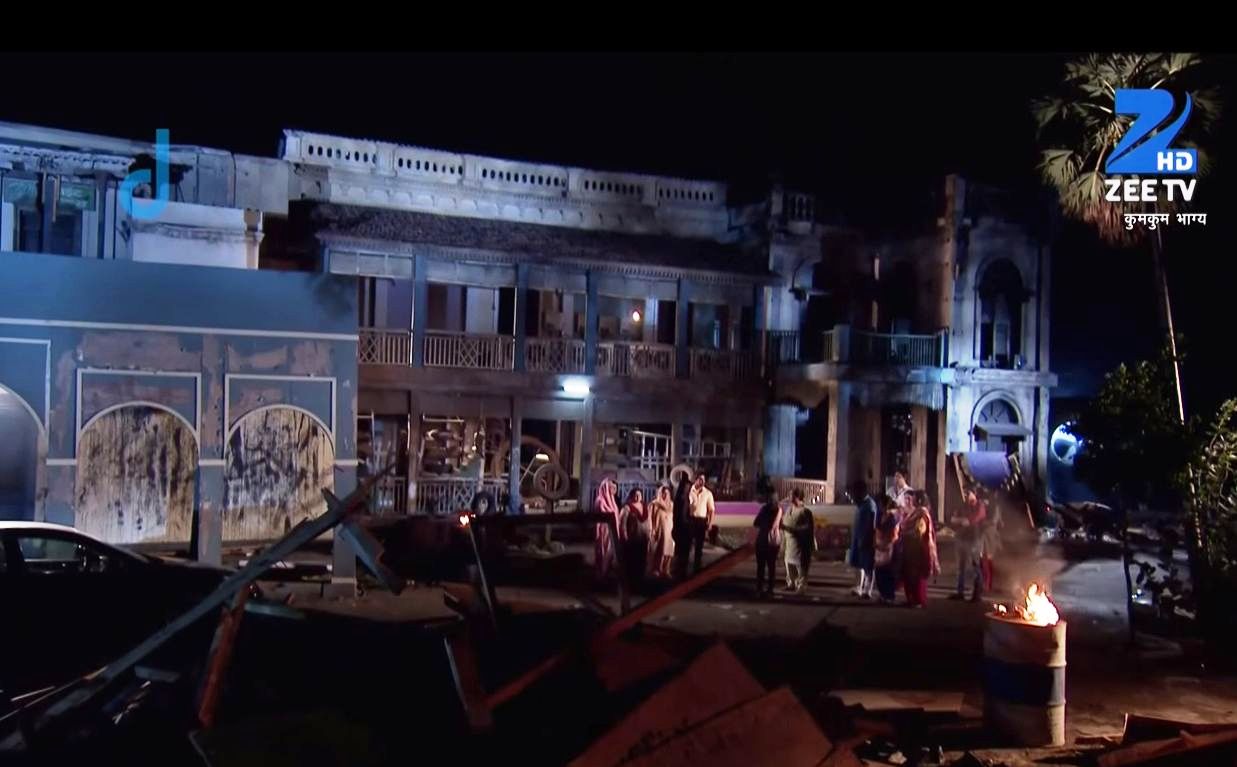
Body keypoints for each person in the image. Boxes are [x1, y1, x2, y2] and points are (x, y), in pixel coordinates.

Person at [899, 490, 940, 608]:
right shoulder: (915, 512)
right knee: (909, 575)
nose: (912, 500)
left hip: (917, 548)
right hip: (910, 547)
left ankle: (918, 600)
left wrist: (905, 533)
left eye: (914, 498)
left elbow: (919, 531)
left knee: (917, 576)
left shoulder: (922, 513)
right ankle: (911, 599)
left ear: (920, 500)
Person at [949, 486, 988, 601]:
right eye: (965, 493)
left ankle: (977, 593)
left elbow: (971, 520)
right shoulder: (963, 505)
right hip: (961, 538)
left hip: (974, 539)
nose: (966, 495)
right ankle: (960, 592)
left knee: (975, 566)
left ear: (974, 494)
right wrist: (961, 520)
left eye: (968, 493)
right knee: (960, 567)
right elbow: (953, 519)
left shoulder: (980, 506)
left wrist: (961, 520)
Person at [780, 488, 814, 593]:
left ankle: (801, 586)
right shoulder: (789, 510)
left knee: (801, 568)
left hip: (800, 546)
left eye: (791, 495)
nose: (788, 497)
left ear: (797, 496)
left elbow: (807, 529)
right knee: (789, 566)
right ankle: (791, 584)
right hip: (789, 545)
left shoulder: (805, 512)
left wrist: (791, 529)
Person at [848, 479, 877, 599]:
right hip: (858, 539)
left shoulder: (869, 505)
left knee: (868, 566)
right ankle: (858, 587)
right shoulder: (861, 505)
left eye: (854, 493)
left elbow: (872, 525)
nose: (853, 496)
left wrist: (867, 539)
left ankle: (867, 590)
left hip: (866, 541)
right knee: (858, 565)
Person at [751, 487, 782, 598]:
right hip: (772, 542)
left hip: (762, 541)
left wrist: (763, 525)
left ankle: (759, 589)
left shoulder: (764, 509)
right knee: (771, 567)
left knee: (761, 567)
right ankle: (770, 590)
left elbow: (756, 523)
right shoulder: (778, 510)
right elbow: (779, 524)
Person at [617, 488, 650, 590]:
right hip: (632, 539)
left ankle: (640, 580)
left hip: (643, 538)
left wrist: (649, 534)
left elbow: (648, 522)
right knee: (632, 561)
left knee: (642, 560)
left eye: (639, 494)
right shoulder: (627, 508)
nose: (638, 496)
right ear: (631, 496)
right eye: (635, 495)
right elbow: (622, 524)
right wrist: (625, 536)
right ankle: (631, 583)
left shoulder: (645, 506)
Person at [873, 495, 901, 604]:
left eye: (880, 504)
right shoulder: (880, 515)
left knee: (887, 572)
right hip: (879, 546)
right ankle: (882, 594)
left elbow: (893, 535)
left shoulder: (892, 517)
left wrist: (886, 544)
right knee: (879, 572)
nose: (879, 506)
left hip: (888, 547)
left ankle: (889, 596)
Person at [688, 474, 715, 573]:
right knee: (687, 544)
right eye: (700, 479)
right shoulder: (688, 491)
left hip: (701, 521)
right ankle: (684, 566)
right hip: (690, 520)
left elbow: (711, 510)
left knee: (699, 546)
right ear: (695, 480)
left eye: (704, 479)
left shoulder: (708, 493)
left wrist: (710, 523)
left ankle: (697, 567)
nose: (702, 481)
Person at [594, 477, 620, 580]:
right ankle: (602, 574)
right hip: (604, 530)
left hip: (612, 530)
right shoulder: (600, 500)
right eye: (612, 488)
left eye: (615, 488)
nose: (614, 490)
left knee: (611, 551)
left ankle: (606, 571)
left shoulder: (612, 500)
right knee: (604, 550)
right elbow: (603, 515)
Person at [648, 484, 676, 578]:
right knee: (660, 550)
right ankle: (657, 569)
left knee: (669, 550)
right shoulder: (654, 504)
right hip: (659, 529)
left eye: (666, 493)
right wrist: (652, 529)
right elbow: (650, 518)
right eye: (663, 493)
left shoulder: (671, 504)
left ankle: (666, 569)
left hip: (670, 530)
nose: (665, 495)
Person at [671, 474, 693, 579]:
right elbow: (677, 516)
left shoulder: (687, 499)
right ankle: (678, 572)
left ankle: (682, 571)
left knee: (685, 552)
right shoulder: (679, 500)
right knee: (680, 552)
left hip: (687, 529)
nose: (687, 490)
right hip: (680, 529)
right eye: (686, 488)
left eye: (689, 488)